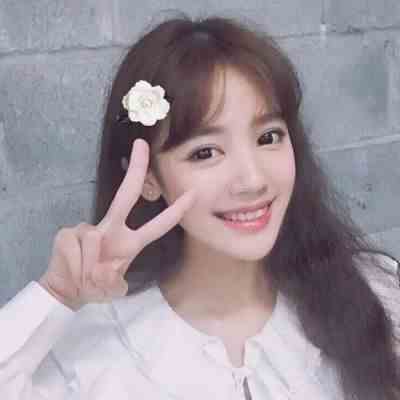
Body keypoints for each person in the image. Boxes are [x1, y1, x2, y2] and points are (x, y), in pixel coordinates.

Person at [1, 11, 399, 400]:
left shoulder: (373, 294)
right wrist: (56, 293)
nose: (253, 180)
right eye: (205, 152)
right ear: (149, 178)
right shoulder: (95, 354)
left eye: (268, 137)